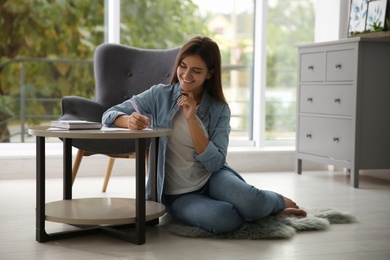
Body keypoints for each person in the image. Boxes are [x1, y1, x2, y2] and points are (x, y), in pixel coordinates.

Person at [102, 36, 307, 234]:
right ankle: (257, 211)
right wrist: (128, 121)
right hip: (177, 195)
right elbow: (109, 114)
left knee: (252, 202)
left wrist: (193, 121)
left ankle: (276, 202)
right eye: (183, 66)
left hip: (213, 177)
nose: (186, 75)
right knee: (226, 219)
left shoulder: (219, 110)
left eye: (196, 70)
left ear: (209, 73)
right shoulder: (160, 96)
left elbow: (215, 164)